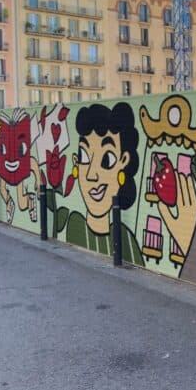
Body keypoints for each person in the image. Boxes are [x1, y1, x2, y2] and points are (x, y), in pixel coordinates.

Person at [66, 102, 144, 267]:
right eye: (85, 157)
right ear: (76, 162)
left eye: (107, 159)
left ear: (123, 162)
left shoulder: (128, 240)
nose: (91, 175)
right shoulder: (71, 222)